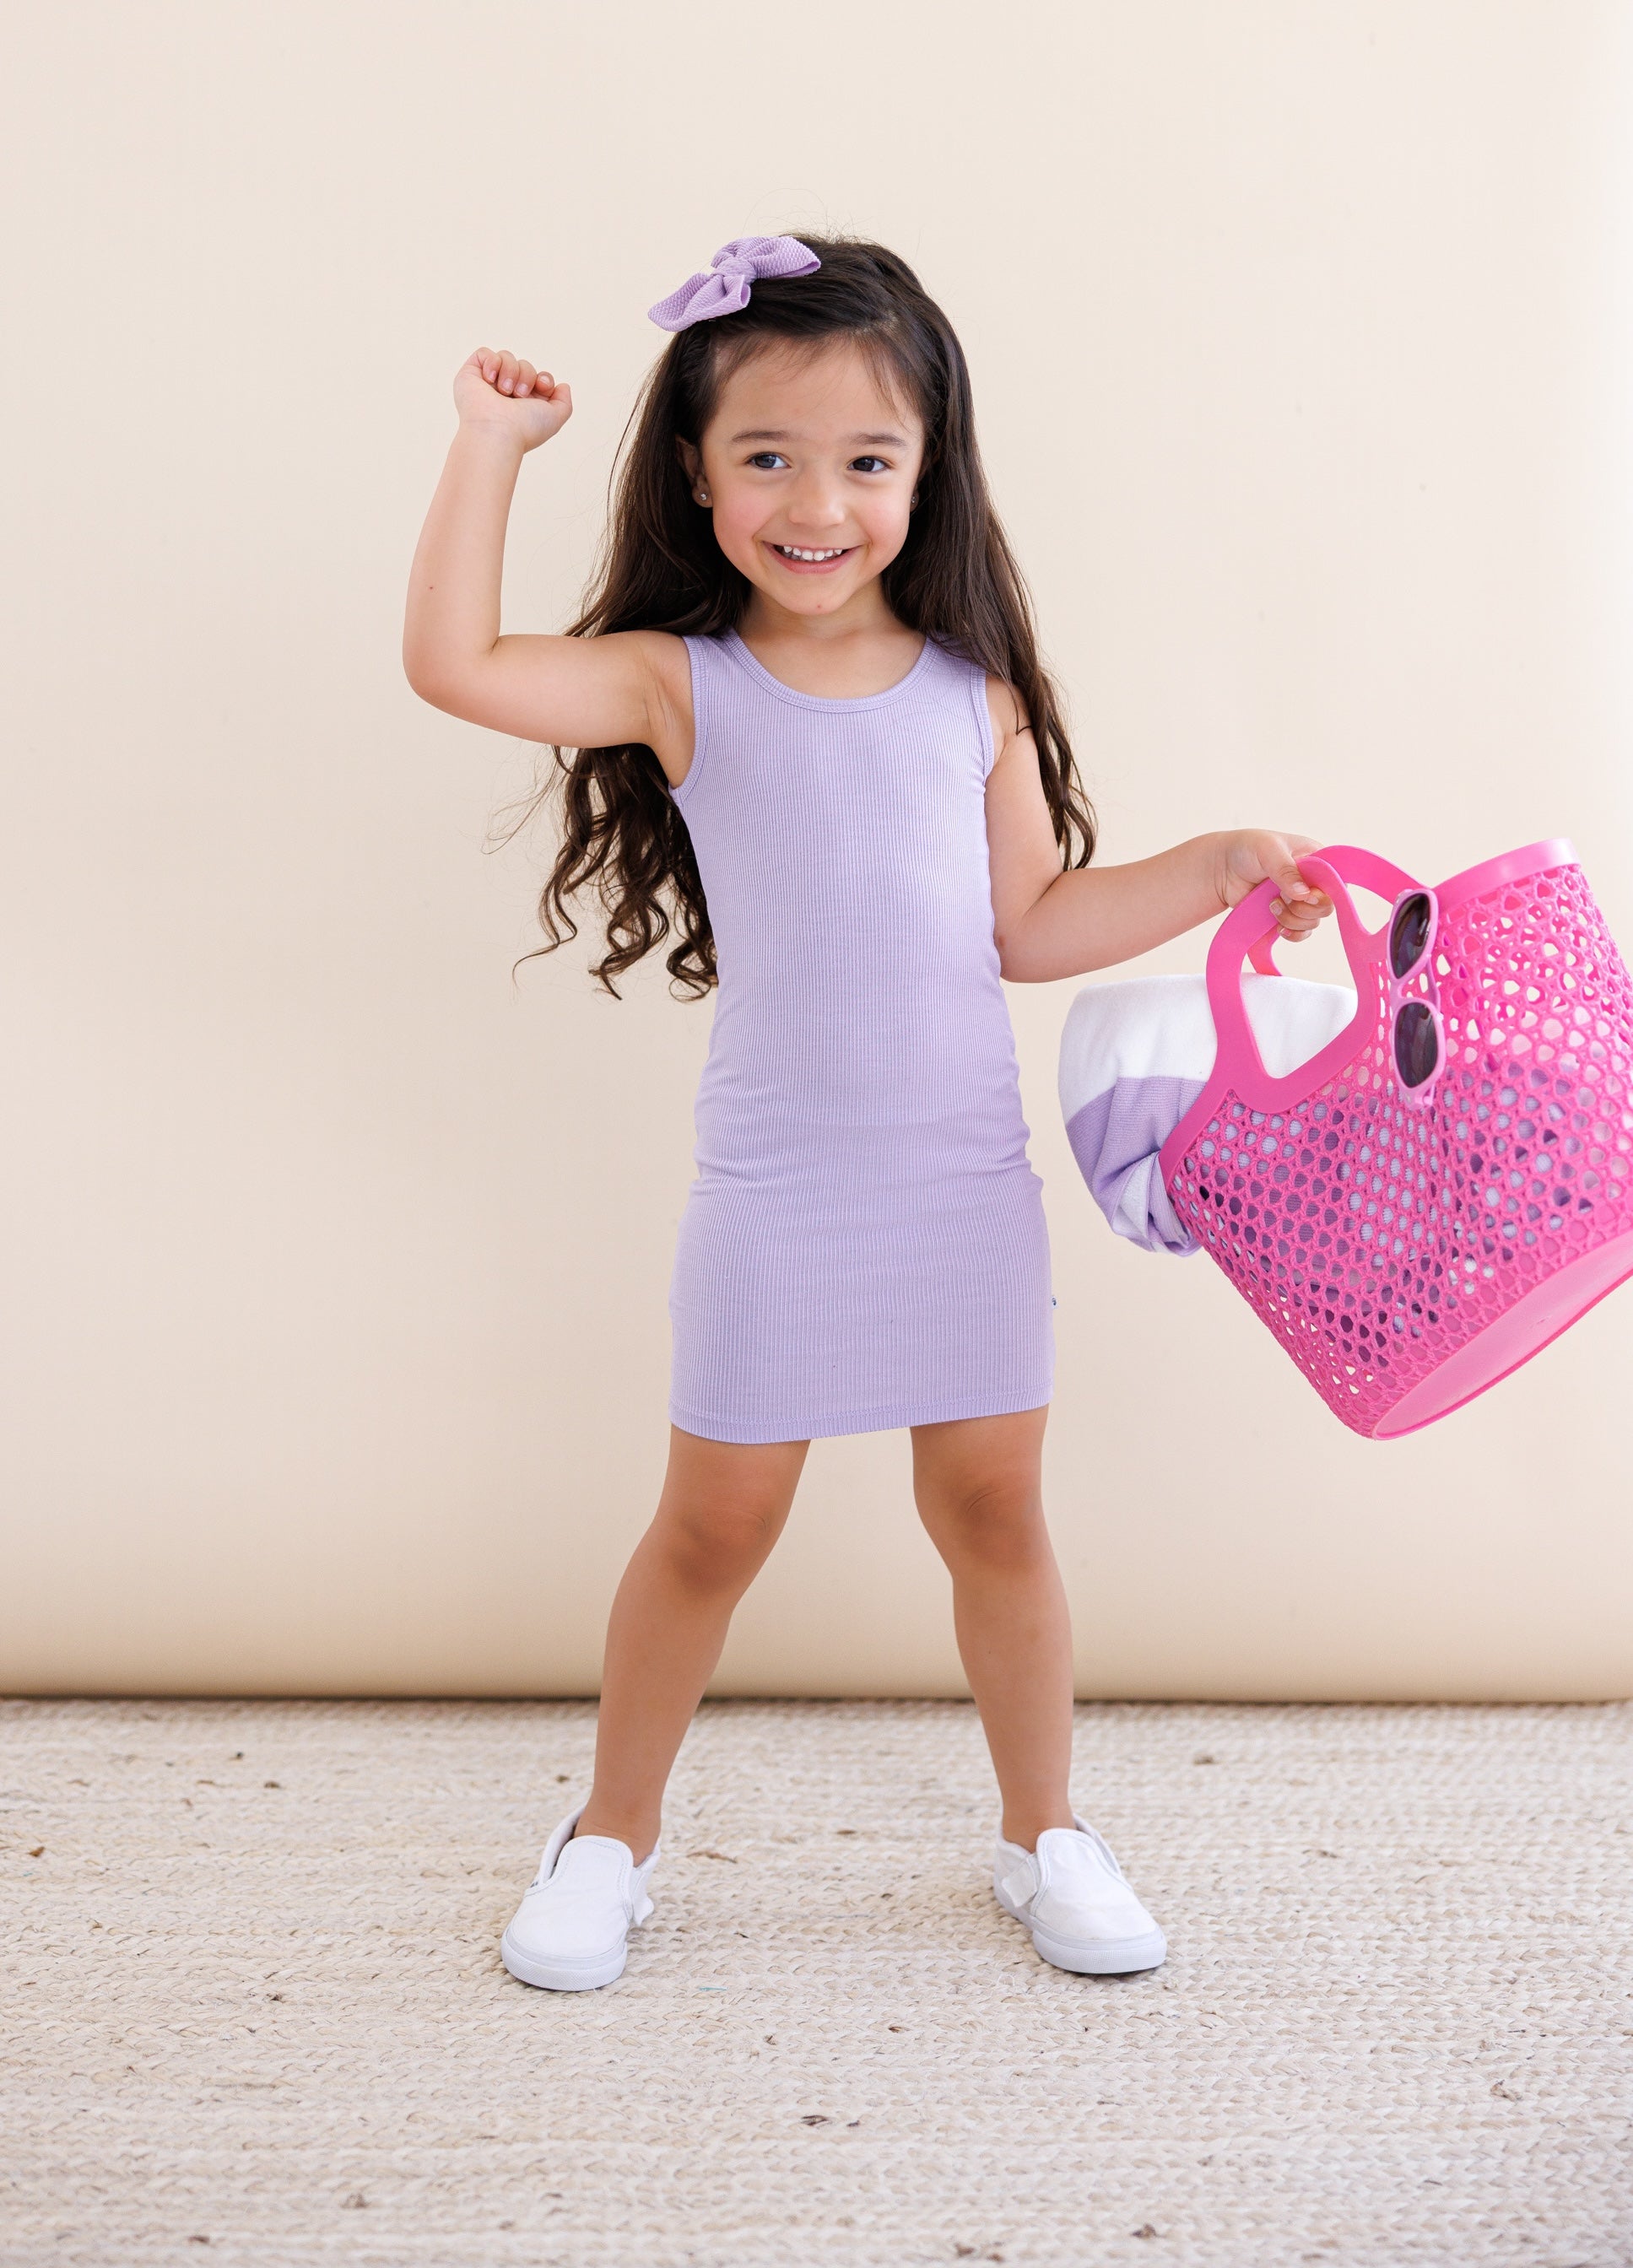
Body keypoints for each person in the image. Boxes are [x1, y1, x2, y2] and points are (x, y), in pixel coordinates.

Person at [402, 234, 1332, 1994]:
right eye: (764, 455)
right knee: (712, 1528)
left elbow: (1025, 929)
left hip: (954, 1182)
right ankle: (607, 1834)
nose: (813, 500)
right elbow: (455, 665)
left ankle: (1041, 1829)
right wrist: (485, 448)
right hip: (775, 1186)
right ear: (693, 470)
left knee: (994, 1514)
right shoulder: (680, 681)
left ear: (927, 472)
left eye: (863, 460)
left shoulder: (964, 693)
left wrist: (1216, 870)